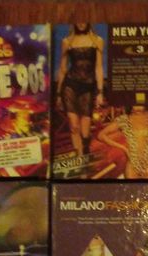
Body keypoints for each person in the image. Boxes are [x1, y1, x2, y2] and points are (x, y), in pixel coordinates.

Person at [56, 24, 104, 157]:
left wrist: (100, 92)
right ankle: (79, 156)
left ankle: (86, 151)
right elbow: (62, 69)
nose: (81, 23)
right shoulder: (67, 41)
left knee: (85, 130)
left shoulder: (97, 41)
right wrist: (58, 94)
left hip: (88, 87)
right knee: (74, 126)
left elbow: (99, 68)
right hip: (70, 85)